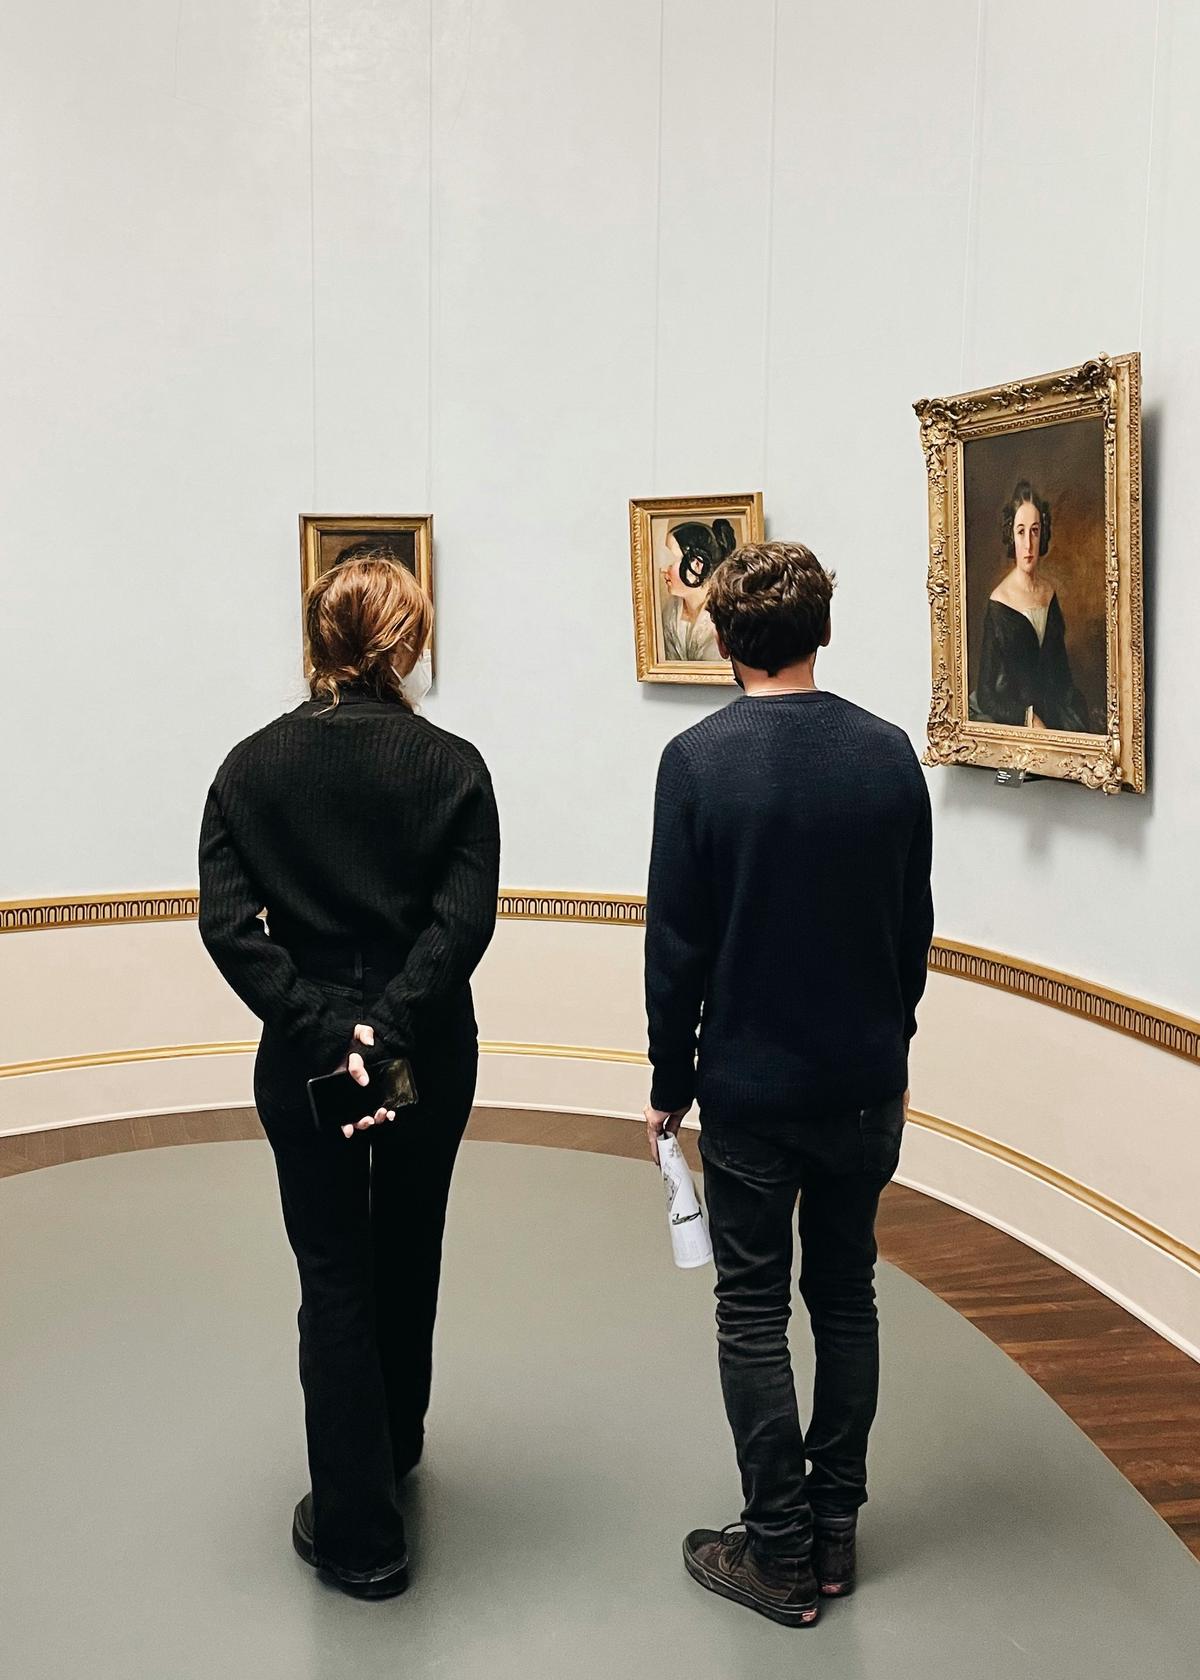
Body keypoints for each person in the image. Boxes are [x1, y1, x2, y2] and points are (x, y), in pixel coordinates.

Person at [643, 541, 933, 1629]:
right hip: (865, 1084)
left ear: (723, 640)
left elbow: (676, 950)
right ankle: (837, 1535)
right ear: (822, 631)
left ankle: (777, 1551)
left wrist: (670, 1082)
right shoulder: (888, 754)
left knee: (753, 1310)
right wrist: (889, 1040)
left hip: (753, 1092)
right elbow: (913, 930)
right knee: (846, 1295)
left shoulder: (699, 762)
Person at [198, 552, 499, 1599]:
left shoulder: (249, 767)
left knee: (332, 1272)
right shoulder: (453, 766)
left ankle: (359, 1532)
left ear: (318, 642)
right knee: (408, 1244)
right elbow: (461, 929)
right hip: (425, 1052)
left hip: (304, 1060)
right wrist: (382, 1033)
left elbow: (230, 929)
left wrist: (326, 1032)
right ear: (407, 644)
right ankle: (397, 1444)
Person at [971, 480, 1091, 731]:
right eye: (1021, 531)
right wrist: (1026, 719)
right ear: (1011, 535)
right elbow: (986, 694)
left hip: (1055, 713)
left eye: (1035, 531)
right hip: (1016, 719)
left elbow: (1061, 675)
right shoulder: (999, 603)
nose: (1028, 544)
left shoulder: (1049, 593)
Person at [660, 518, 736, 662]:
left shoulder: (726, 616)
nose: (663, 569)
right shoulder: (670, 611)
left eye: (670, 559)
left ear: (697, 565)